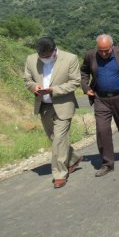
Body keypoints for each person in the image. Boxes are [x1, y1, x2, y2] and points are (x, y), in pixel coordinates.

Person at [23, 37, 83, 188]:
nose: (43, 58)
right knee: (54, 138)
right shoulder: (31, 60)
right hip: (44, 106)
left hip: (63, 105)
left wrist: (53, 90)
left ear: (54, 50)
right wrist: (34, 88)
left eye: (46, 56)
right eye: (41, 56)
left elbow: (75, 82)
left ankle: (59, 174)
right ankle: (74, 158)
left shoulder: (70, 58)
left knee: (59, 140)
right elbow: (27, 80)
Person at [81, 34, 119, 177]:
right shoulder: (90, 56)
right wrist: (85, 87)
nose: (103, 53)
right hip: (100, 98)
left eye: (107, 50)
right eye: (101, 50)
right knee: (102, 130)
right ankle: (107, 163)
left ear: (112, 46)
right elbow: (84, 72)